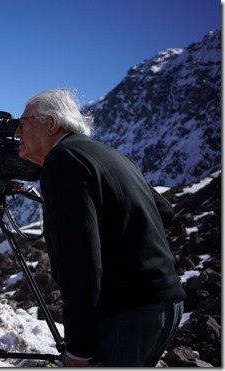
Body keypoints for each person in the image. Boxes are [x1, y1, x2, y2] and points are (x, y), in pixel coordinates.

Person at [14, 89, 185, 367]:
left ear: (51, 124)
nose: (17, 133)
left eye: (22, 123)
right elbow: (164, 212)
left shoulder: (63, 159)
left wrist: (78, 350)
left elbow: (80, 263)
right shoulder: (112, 154)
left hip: (127, 313)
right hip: (167, 303)